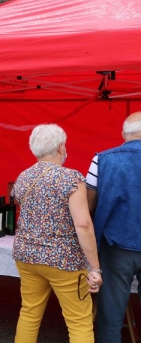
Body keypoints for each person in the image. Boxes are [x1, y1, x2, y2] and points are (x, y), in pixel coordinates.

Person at [11, 124, 101, 342]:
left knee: (29, 313)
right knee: (79, 320)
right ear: (61, 146)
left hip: (26, 255)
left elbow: (16, 200)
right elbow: (83, 225)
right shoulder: (71, 178)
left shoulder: (23, 176)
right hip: (64, 260)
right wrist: (95, 268)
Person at [87, 112, 141, 342]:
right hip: (118, 243)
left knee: (110, 318)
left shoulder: (102, 159)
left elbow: (89, 204)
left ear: (123, 135)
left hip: (115, 245)